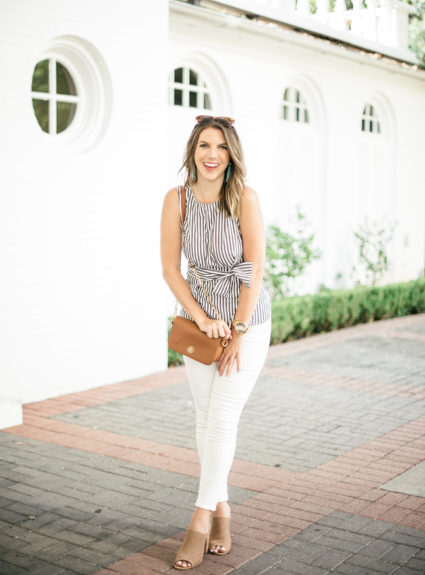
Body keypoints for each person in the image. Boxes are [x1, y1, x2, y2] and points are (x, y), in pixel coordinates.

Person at [160, 115, 271, 570]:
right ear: (193, 151)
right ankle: (223, 508)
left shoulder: (244, 198)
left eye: (220, 147)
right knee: (206, 419)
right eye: (204, 145)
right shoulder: (176, 199)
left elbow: (255, 268)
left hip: (248, 324)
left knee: (222, 418)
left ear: (231, 154)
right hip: (199, 324)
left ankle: (201, 518)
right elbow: (171, 269)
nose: (211, 155)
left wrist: (238, 333)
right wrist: (205, 321)